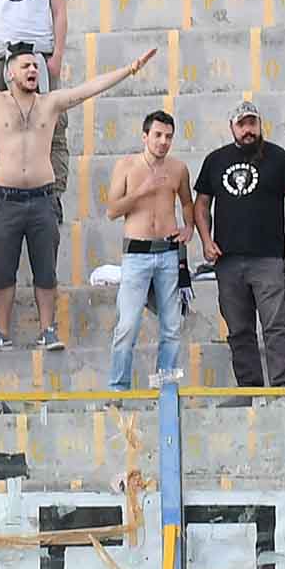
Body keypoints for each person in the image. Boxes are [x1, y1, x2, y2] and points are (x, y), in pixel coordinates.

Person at [0, 44, 159, 355]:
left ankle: (47, 330)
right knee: (2, 271)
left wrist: (129, 69)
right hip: (6, 200)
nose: (33, 71)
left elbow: (89, 89)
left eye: (36, 67)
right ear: (10, 73)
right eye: (26, 66)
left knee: (46, 270)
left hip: (42, 198)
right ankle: (0, 332)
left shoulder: (50, 103)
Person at [191, 100, 285, 389]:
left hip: (267, 258)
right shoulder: (215, 160)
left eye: (252, 123)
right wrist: (206, 241)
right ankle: (250, 389)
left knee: (275, 326)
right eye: (242, 124)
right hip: (228, 261)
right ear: (232, 127)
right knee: (239, 330)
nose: (248, 130)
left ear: (260, 125)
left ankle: (284, 386)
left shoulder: (280, 158)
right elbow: (201, 204)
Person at [102, 109, 192, 391]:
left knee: (172, 328)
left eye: (168, 137)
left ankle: (164, 388)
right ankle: (119, 388)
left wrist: (188, 227)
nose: (163, 141)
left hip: (168, 252)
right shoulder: (127, 165)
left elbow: (188, 202)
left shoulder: (178, 169)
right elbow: (112, 211)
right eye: (157, 135)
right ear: (145, 136)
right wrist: (142, 190)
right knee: (127, 326)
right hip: (136, 254)